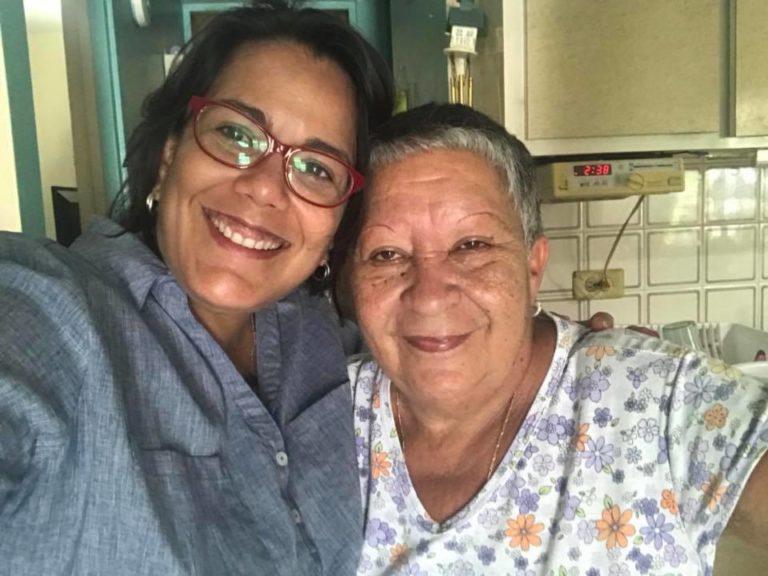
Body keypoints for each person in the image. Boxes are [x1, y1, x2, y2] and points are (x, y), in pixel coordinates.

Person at [0, 2, 392, 574]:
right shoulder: (54, 312)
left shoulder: (320, 333)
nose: (265, 188)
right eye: (235, 133)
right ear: (168, 156)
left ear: (336, 222)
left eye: (316, 169)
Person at [346, 103, 768, 575]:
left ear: (533, 267)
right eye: (385, 254)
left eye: (471, 246)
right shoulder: (324, 416)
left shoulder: (653, 401)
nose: (429, 297)